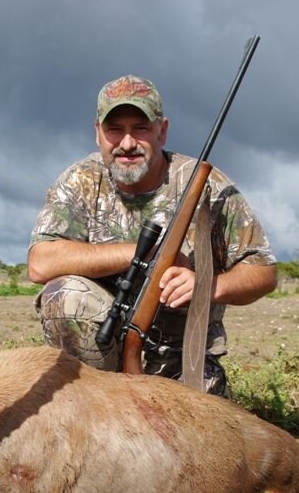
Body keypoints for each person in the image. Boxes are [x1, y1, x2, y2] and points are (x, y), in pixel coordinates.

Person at [27, 75, 277, 396]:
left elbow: (263, 273)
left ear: (163, 130)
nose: (127, 143)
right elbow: (40, 264)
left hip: (180, 353)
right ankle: (93, 399)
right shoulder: (81, 180)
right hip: (102, 350)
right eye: (115, 130)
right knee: (63, 296)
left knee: (196, 438)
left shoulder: (206, 185)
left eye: (141, 129)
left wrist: (206, 286)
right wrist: (140, 253)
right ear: (97, 134)